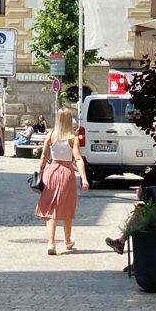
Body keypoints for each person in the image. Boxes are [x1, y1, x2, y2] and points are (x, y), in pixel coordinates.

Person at [34, 107, 89, 255]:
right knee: (67, 207)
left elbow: (44, 155)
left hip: (51, 172)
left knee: (51, 208)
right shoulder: (73, 139)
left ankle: (51, 242)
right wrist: (84, 178)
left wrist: (39, 172)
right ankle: (67, 240)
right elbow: (78, 159)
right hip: (66, 173)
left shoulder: (51, 135)